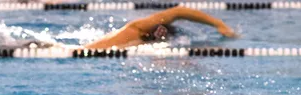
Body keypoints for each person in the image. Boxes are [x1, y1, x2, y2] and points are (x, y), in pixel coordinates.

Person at [84, 6, 237, 50]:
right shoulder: (138, 28)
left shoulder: (138, 36)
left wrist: (220, 25)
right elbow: (178, 11)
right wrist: (219, 24)